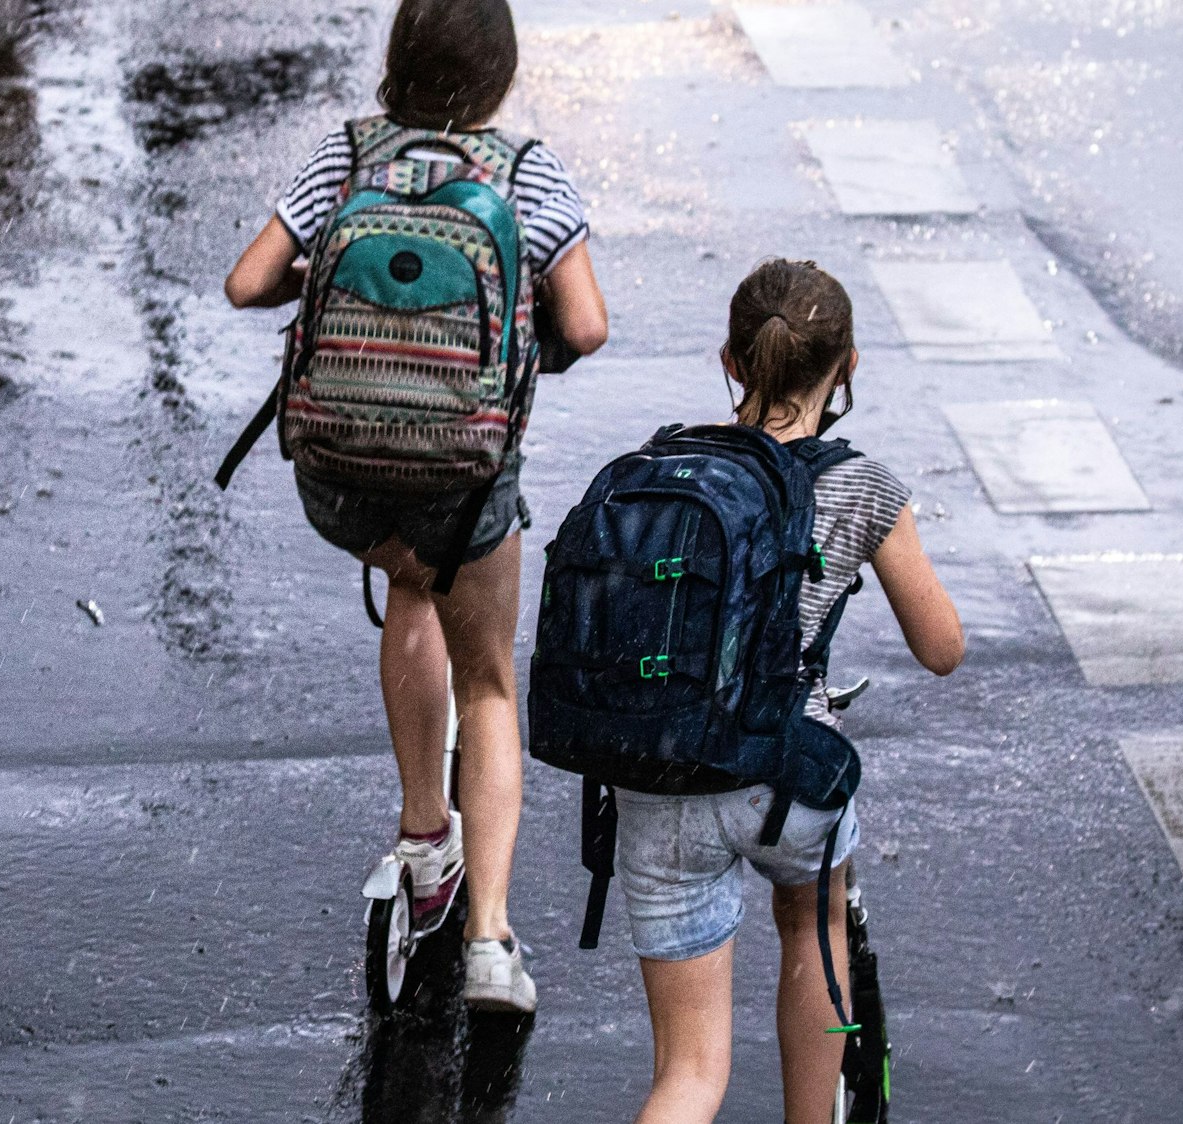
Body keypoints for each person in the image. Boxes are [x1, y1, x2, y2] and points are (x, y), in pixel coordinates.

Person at [222, 0, 608, 1013]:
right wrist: (527, 342)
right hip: (465, 472)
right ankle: (488, 936)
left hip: (340, 470)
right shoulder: (526, 172)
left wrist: (320, 287)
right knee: (488, 682)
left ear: (396, 61)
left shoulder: (344, 158)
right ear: (500, 73)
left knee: (408, 593)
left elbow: (245, 280)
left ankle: (421, 833)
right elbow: (588, 323)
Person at [617, 260, 963, 1122]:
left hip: (663, 775)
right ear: (847, 368)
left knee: (689, 1075)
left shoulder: (661, 466)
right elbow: (941, 647)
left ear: (730, 361)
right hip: (786, 775)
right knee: (816, 922)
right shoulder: (862, 484)